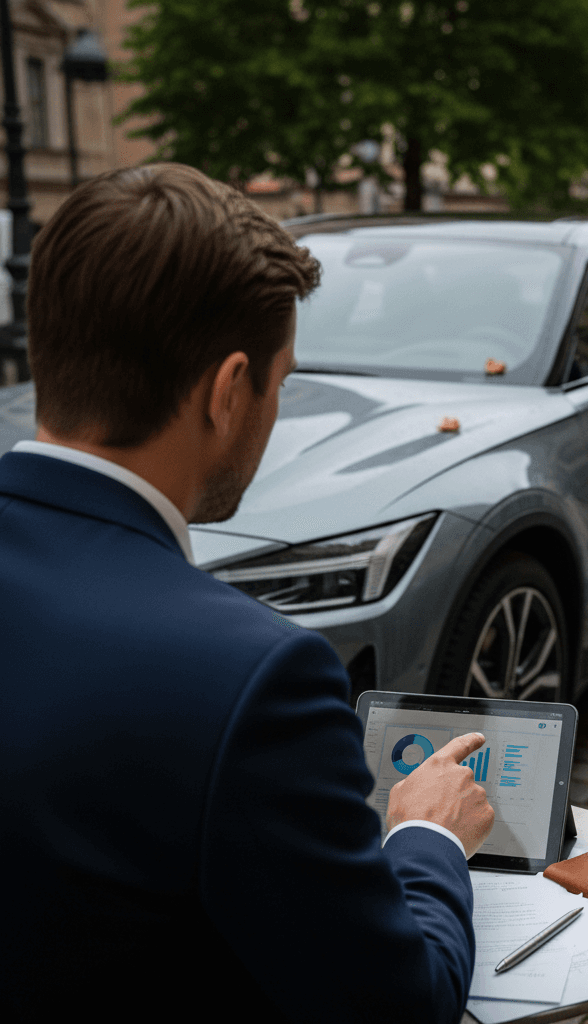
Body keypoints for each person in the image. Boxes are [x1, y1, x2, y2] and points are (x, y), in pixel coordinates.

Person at [0, 164, 494, 1023]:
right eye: (282, 380)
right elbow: (399, 1007)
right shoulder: (254, 678)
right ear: (228, 392)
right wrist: (428, 837)